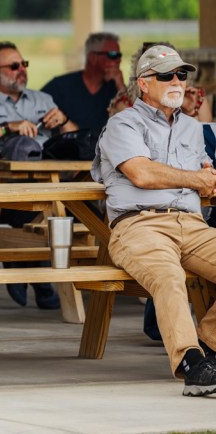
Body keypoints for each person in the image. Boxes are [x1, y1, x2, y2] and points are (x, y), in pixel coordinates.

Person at [93, 44, 216, 397]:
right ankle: (191, 363)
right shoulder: (122, 123)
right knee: (169, 277)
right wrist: (195, 179)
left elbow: (205, 177)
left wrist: (207, 177)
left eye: (181, 74)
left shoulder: (192, 127)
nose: (177, 81)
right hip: (139, 225)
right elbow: (142, 174)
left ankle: (208, 346)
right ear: (144, 83)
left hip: (192, 224)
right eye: (166, 75)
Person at [0, 41, 78, 310]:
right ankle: (38, 277)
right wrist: (6, 128)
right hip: (1, 194)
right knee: (50, 213)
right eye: (14, 66)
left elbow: (77, 140)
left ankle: (22, 263)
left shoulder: (42, 100)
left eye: (24, 64)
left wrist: (64, 120)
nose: (22, 69)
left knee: (80, 209)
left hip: (49, 185)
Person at [43, 32, 125, 135]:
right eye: (113, 55)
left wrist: (121, 86)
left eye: (119, 55)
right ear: (93, 57)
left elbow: (133, 120)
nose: (118, 60)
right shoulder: (60, 86)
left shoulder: (117, 90)